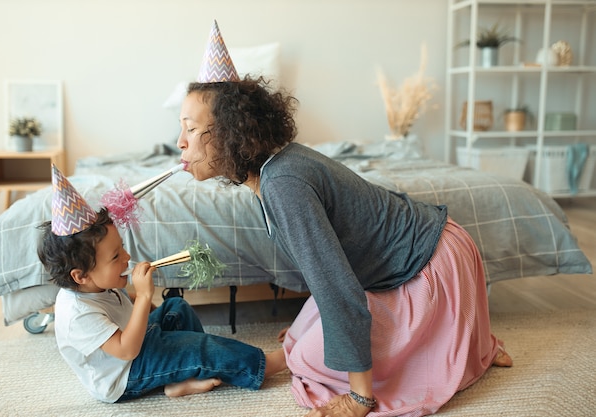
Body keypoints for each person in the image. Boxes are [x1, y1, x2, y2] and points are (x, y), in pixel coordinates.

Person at [175, 20, 513, 417]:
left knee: (316, 361)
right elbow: (333, 270)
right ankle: (467, 342)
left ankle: (463, 343)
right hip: (397, 260)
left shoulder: (282, 183)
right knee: (304, 346)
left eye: (192, 129)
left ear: (231, 134)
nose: (180, 142)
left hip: (432, 264)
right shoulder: (271, 173)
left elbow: (338, 290)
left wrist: (359, 397)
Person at [37, 165, 286, 403]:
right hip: (125, 375)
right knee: (195, 348)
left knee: (176, 307)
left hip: (139, 343)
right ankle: (265, 365)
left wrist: (147, 308)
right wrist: (144, 297)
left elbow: (123, 305)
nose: (126, 257)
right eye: (115, 257)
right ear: (80, 276)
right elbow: (127, 351)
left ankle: (182, 377)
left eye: (121, 248)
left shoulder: (95, 282)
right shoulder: (77, 314)